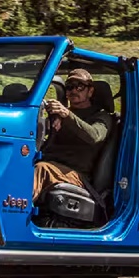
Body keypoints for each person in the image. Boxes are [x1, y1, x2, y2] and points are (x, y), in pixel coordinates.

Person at [33, 68, 112, 201]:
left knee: (42, 169)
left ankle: (13, 211)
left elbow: (94, 136)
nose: (74, 90)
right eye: (69, 87)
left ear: (90, 91)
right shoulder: (61, 114)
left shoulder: (102, 116)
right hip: (52, 164)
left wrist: (67, 115)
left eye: (79, 86)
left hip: (77, 174)